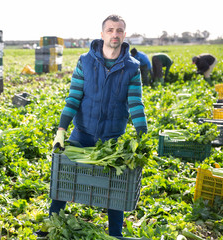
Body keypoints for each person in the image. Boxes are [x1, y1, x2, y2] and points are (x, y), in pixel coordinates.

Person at [35, 14, 147, 238]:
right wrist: (61, 131)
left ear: (124, 35)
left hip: (112, 137)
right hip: (83, 134)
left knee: (117, 186)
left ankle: (115, 233)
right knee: (64, 179)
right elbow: (73, 98)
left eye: (119, 30)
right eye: (110, 30)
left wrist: (143, 136)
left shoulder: (132, 68)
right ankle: (49, 226)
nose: (115, 34)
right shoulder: (85, 61)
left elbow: (135, 104)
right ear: (102, 33)